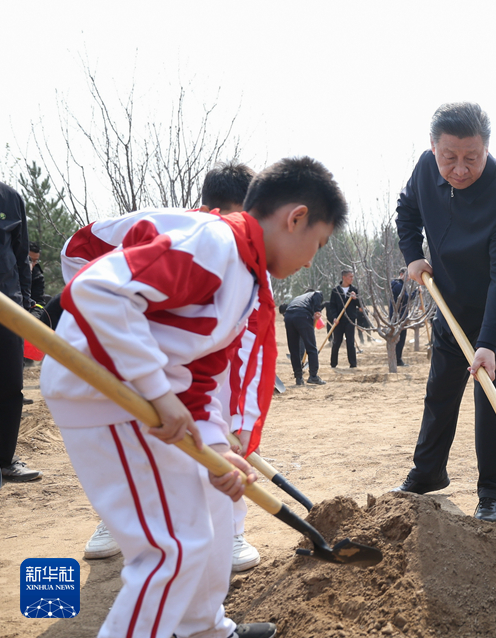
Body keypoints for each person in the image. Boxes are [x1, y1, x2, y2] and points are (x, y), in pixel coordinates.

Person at [40, 156, 347, 638]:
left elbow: (201, 376)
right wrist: (158, 390)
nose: (312, 260)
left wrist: (217, 447)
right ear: (297, 218)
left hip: (140, 398)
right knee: (172, 549)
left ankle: (204, 630)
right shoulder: (214, 244)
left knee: (207, 522)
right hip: (103, 391)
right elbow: (96, 291)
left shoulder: (246, 278)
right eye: (319, 244)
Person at [69, 162, 267, 572]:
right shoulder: (177, 230)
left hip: (201, 354)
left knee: (215, 423)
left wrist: (242, 425)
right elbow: (77, 251)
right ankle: (118, 520)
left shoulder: (252, 256)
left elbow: (251, 345)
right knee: (128, 437)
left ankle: (230, 531)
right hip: (135, 353)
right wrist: (108, 330)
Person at [393, 102, 496, 524]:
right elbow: (407, 211)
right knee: (440, 388)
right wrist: (412, 255)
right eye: (449, 157)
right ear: (432, 147)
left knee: (489, 393)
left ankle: (493, 491)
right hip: (451, 301)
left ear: (486, 148)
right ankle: (428, 472)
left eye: (471, 158)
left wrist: (488, 343)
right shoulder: (425, 170)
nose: (459, 169)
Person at [0, 181, 42, 484]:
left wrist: (25, 306)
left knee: (10, 385)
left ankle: (5, 460)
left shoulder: (10, 198)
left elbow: (20, 256)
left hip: (8, 307)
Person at [282, 289, 327, 385]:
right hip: (302, 315)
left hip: (288, 316)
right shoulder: (315, 293)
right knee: (311, 347)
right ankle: (313, 376)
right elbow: (318, 294)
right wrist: (317, 310)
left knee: (294, 349)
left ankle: (298, 378)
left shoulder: (299, 298)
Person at [328, 269, 360, 368]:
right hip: (339, 320)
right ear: (344, 277)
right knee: (336, 342)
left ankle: (353, 364)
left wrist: (355, 298)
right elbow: (332, 306)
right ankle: (333, 363)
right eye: (350, 277)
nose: (352, 279)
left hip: (350, 320)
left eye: (352, 277)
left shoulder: (354, 290)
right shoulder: (335, 290)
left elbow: (360, 305)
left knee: (350, 342)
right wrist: (334, 317)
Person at [390, 267, 416, 366]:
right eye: (407, 275)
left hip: (398, 315)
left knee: (398, 339)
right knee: (400, 339)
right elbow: (406, 299)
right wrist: (416, 292)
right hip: (399, 317)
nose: (409, 278)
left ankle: (397, 359)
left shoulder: (398, 284)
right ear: (401, 274)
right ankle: (398, 360)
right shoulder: (398, 285)